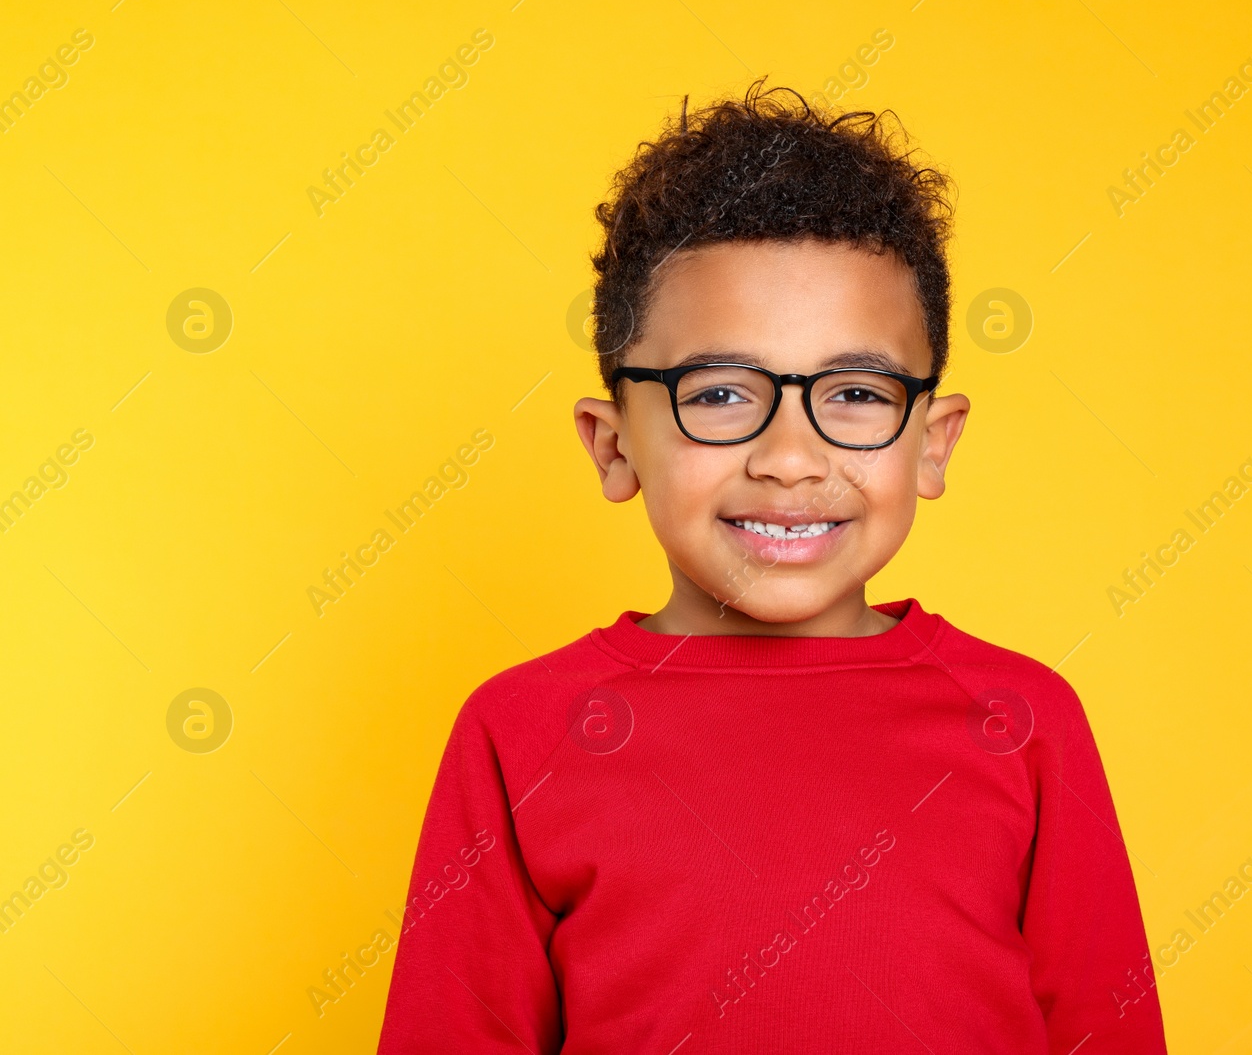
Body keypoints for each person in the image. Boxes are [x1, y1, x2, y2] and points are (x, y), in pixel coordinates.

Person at [376, 79, 1166, 1053]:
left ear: (934, 440)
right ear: (612, 442)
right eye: (716, 393)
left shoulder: (1026, 722)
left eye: (855, 393)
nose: (790, 455)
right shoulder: (518, 734)